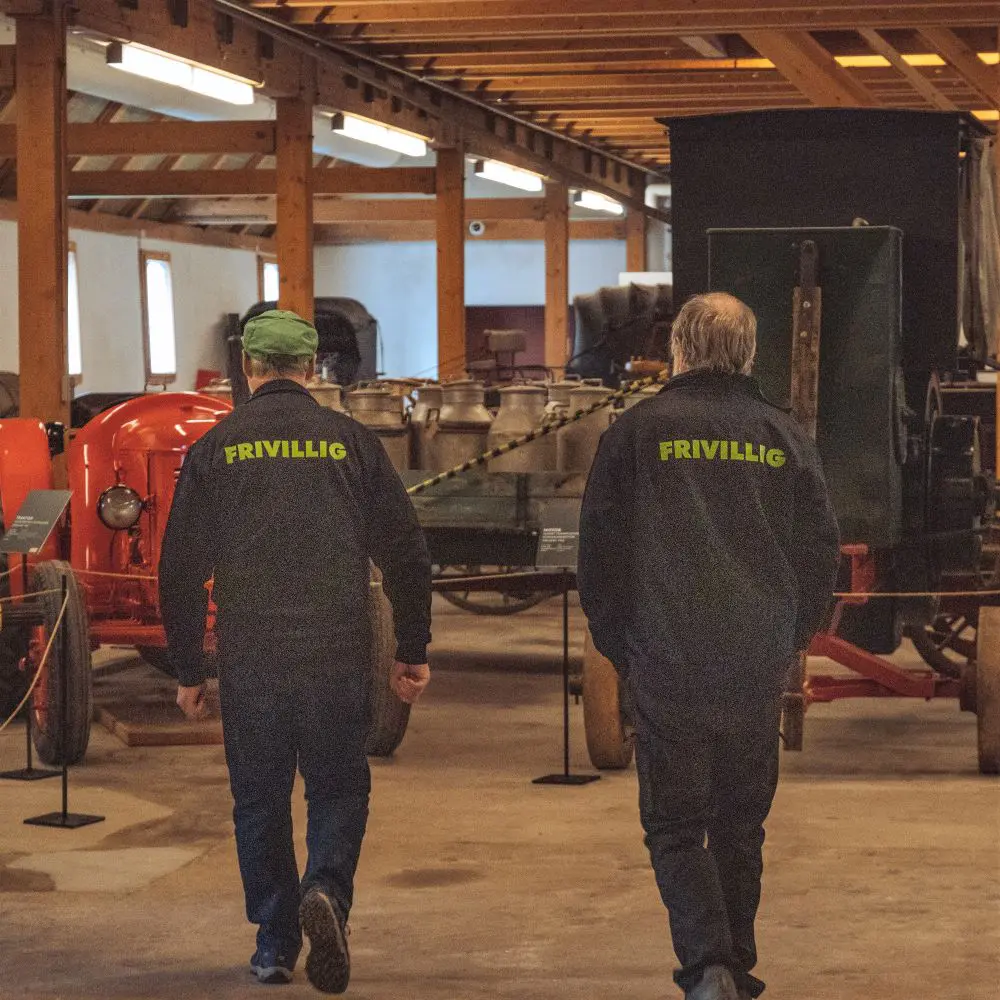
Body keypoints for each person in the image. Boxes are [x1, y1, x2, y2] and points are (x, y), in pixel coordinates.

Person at [159, 309, 432, 993]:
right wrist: (412, 648)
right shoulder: (352, 443)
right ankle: (328, 893)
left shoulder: (217, 447)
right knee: (339, 786)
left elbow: (179, 567)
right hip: (337, 648)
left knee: (258, 799)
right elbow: (405, 549)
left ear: (248, 368)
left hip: (253, 654)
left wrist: (189, 667)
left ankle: (274, 944)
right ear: (313, 370)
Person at [578, 293, 840, 1000]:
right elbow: (821, 552)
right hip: (754, 658)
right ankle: (737, 964)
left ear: (680, 352)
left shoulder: (635, 433)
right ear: (748, 354)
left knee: (674, 824)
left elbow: (597, 555)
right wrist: (789, 635)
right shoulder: (782, 434)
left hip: (666, 656)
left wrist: (621, 648)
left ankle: (707, 965)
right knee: (740, 823)